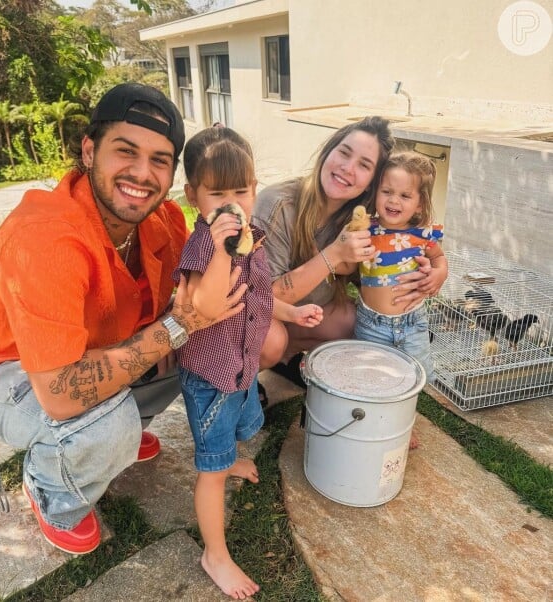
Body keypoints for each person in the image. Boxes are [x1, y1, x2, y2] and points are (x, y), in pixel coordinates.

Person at [0, 83, 246, 556]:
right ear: (89, 149)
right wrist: (176, 327)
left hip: (88, 351)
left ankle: (110, 436)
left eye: (160, 159)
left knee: (204, 349)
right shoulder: (46, 238)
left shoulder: (162, 220)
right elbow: (58, 394)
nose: (142, 173)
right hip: (0, 370)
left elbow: (196, 305)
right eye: (125, 151)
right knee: (108, 425)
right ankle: (52, 492)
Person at [174, 126, 323, 600]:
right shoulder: (203, 247)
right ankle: (213, 553)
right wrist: (221, 249)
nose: (231, 202)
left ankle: (228, 457)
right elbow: (206, 303)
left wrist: (292, 311)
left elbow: (258, 292)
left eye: (241, 190)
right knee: (211, 465)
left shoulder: (252, 237)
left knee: (243, 425)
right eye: (216, 193)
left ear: (255, 190)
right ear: (192, 195)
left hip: (241, 367)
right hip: (210, 378)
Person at [252, 117, 447, 382]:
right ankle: (242, 381)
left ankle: (288, 359)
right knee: (270, 339)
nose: (347, 168)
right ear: (327, 151)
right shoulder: (277, 205)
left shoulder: (360, 219)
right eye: (344, 153)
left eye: (364, 165)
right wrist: (335, 254)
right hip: (257, 313)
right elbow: (264, 297)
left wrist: (427, 275)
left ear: (371, 182)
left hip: (308, 314)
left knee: (352, 321)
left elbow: (374, 270)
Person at [353, 151, 446, 383]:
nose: (394, 200)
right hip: (371, 324)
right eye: (387, 192)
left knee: (418, 378)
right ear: (376, 192)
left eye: (405, 195)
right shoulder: (366, 230)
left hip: (413, 322)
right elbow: (346, 261)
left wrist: (440, 273)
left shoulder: (423, 235)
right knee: (370, 379)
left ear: (419, 204)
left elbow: (439, 258)